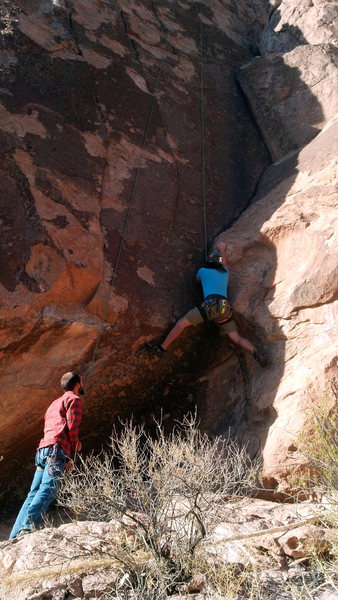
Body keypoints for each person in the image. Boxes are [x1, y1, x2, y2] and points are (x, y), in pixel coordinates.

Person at [145, 242, 268, 366]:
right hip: (225, 308)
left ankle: (162, 349)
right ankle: (255, 352)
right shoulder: (225, 273)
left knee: (181, 324)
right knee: (236, 338)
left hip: (212, 305)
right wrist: (222, 250)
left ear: (209, 262)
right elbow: (225, 264)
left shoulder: (203, 271)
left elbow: (197, 281)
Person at [9, 371, 84, 539]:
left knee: (33, 492)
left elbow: (53, 427)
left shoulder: (53, 404)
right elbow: (72, 427)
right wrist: (73, 448)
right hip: (57, 449)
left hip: (43, 449)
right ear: (78, 383)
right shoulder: (74, 400)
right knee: (49, 489)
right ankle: (28, 527)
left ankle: (14, 535)